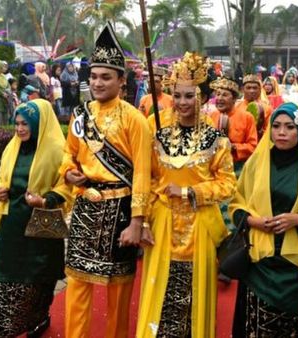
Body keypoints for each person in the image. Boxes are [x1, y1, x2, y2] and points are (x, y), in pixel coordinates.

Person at [60, 22, 151, 338]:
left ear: (121, 80)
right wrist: (68, 171)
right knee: (77, 282)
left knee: (119, 288)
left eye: (106, 77)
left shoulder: (134, 119)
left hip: (121, 211)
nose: (97, 83)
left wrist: (137, 222)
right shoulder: (79, 115)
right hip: (86, 206)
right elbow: (68, 153)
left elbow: (142, 171)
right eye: (94, 76)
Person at [136, 52, 237, 338]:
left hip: (200, 228)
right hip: (163, 225)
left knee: (194, 292)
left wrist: (190, 191)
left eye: (189, 96)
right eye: (177, 96)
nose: (181, 103)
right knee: (162, 290)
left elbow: (228, 184)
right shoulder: (159, 136)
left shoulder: (217, 141)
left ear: (203, 98)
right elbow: (148, 179)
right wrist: (142, 221)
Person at [229, 102, 298, 337]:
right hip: (257, 258)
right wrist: (251, 221)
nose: (281, 132)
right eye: (276, 126)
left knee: (286, 327)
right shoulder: (256, 164)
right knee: (252, 324)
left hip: (294, 264)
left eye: (289, 127)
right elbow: (236, 205)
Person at [0, 99, 72, 337]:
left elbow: (67, 184)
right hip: (12, 222)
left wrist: (46, 200)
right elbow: (2, 177)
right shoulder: (12, 147)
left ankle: (37, 317)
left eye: (26, 124)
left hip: (42, 222)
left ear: (39, 123)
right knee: (6, 272)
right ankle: (3, 325)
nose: (20, 129)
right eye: (17, 124)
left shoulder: (57, 149)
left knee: (39, 273)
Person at [209, 76, 258, 172]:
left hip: (238, 168)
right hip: (214, 166)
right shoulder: (212, 115)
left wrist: (233, 147)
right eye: (218, 94)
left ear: (234, 99)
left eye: (224, 95)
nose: (219, 98)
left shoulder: (246, 117)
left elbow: (252, 146)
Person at [235, 74, 273, 139]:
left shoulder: (267, 108)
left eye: (255, 88)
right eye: (248, 88)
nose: (252, 91)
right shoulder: (236, 107)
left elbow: (270, 132)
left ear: (260, 90)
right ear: (242, 90)